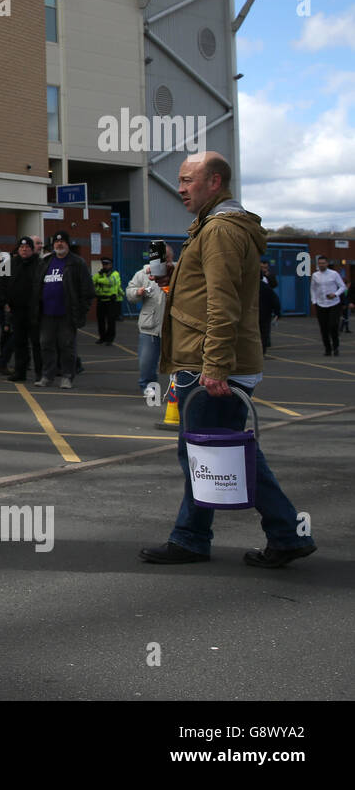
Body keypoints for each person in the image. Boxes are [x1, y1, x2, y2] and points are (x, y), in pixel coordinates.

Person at [140, 151, 317, 568]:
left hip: (212, 364)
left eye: (188, 180)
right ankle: (221, 535)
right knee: (212, 452)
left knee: (214, 452)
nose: (180, 188)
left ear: (215, 183)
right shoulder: (214, 227)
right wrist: (174, 273)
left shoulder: (219, 229)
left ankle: (213, 537)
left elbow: (223, 304)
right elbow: (209, 289)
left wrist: (215, 367)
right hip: (211, 361)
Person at [31, 231, 93, 389]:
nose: (59, 245)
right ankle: (47, 376)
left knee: (67, 346)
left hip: (67, 314)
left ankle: (67, 376)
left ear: (68, 244)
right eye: (56, 243)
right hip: (46, 314)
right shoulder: (46, 262)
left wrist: (80, 311)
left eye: (62, 242)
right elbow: (37, 286)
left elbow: (87, 290)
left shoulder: (77, 263)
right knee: (46, 345)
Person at [126, 244, 173, 394]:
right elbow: (129, 292)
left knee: (180, 361)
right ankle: (148, 386)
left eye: (166, 257)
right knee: (146, 362)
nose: (162, 261)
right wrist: (137, 292)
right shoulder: (143, 274)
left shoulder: (178, 271)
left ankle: (179, 387)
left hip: (174, 326)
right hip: (150, 327)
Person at [0, 237, 39, 382]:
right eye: (21, 247)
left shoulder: (40, 264)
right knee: (20, 343)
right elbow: (2, 285)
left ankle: (40, 373)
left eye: (27, 247)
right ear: (18, 249)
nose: (24, 250)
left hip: (34, 311)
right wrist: (4, 302)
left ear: (32, 249)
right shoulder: (10, 264)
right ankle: (20, 372)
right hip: (17, 310)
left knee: (37, 343)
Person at [310, 254, 345, 356]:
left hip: (334, 304)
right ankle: (327, 349)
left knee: (333, 325)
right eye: (320, 263)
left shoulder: (334, 274)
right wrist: (314, 301)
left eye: (323, 263)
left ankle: (336, 346)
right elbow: (313, 289)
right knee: (323, 328)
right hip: (321, 304)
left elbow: (342, 287)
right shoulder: (315, 275)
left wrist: (335, 294)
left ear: (327, 263)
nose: (321, 265)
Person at [92, 256, 122, 345]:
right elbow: (92, 282)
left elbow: (111, 282)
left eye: (107, 264)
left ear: (111, 265)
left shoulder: (115, 274)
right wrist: (100, 279)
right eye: (104, 264)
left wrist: (100, 280)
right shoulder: (98, 274)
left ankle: (110, 339)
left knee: (111, 321)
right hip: (101, 300)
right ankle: (102, 337)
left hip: (111, 300)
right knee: (100, 320)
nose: (105, 266)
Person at [258, 259, 280, 352]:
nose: (264, 269)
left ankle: (266, 343)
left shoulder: (269, 276)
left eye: (265, 267)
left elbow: (274, 285)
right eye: (262, 267)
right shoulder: (255, 280)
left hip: (266, 303)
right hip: (258, 305)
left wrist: (277, 312)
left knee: (265, 326)